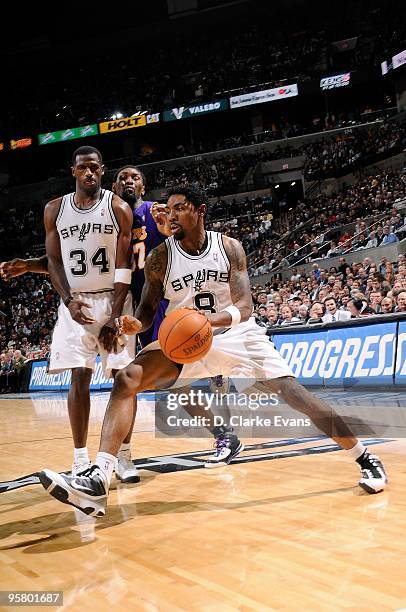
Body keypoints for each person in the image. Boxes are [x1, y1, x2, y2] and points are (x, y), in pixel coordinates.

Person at [38, 185, 387, 517]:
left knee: (296, 395)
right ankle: (100, 477)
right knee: (127, 379)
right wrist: (134, 324)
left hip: (237, 334)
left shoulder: (229, 247)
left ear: (200, 211)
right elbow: (146, 313)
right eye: (169, 209)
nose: (172, 215)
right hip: (185, 340)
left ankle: (364, 456)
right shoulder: (161, 258)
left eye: (180, 208)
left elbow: (245, 306)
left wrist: (209, 322)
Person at [1, 166, 241, 473]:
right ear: (113, 186)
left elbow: (192, 243)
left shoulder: (157, 213)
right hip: (129, 308)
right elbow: (80, 263)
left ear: (143, 186)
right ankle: (125, 456)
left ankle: (219, 424)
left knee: (173, 381)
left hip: (160, 308)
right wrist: (30, 266)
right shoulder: (105, 219)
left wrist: (169, 227)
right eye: (123, 178)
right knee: (154, 383)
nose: (128, 181)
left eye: (135, 177)